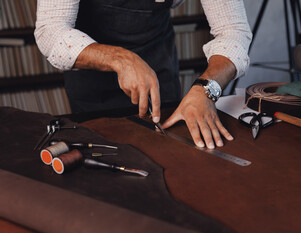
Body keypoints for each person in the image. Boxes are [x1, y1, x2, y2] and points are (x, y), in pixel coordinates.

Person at [35, 0, 252, 149]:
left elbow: (234, 31)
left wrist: (207, 88)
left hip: (158, 64)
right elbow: (50, 31)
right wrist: (121, 59)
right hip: (93, 78)